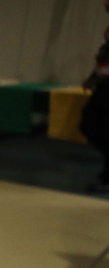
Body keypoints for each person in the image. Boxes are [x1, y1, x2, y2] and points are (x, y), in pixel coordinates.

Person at [81, 0, 109, 192]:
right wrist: (93, 77)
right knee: (89, 124)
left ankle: (107, 177)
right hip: (103, 83)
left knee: (102, 128)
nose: (104, 3)